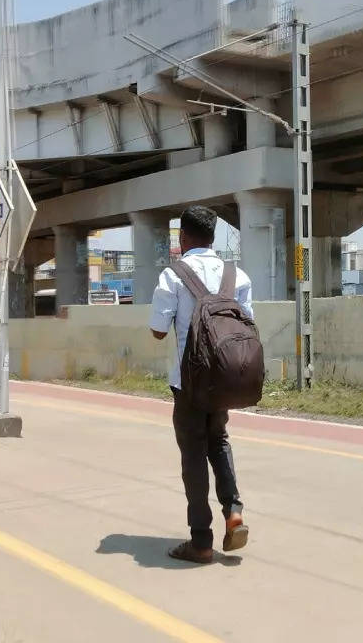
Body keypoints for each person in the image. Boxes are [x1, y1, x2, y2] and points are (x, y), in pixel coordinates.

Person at [148, 205, 253, 564]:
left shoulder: (173, 275)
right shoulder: (236, 275)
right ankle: (234, 511)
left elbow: (158, 331)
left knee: (193, 456)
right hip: (225, 379)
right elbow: (247, 324)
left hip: (189, 383)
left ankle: (201, 541)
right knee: (219, 441)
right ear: (213, 237)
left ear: (183, 237)